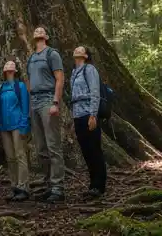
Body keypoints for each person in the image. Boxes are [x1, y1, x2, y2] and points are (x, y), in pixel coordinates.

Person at [26, 25, 65, 202]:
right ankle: (47, 184)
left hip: (48, 100)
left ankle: (58, 187)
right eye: (36, 31)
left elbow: (59, 79)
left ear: (47, 36)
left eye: (42, 31)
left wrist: (55, 102)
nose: (39, 32)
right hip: (34, 102)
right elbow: (29, 82)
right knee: (41, 147)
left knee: (52, 145)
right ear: (33, 37)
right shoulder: (32, 57)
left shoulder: (52, 54)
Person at [71, 45, 107, 198]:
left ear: (85, 55)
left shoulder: (89, 69)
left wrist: (93, 115)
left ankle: (99, 185)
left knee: (94, 149)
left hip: (88, 114)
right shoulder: (73, 72)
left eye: (80, 49)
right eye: (76, 49)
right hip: (77, 115)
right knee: (86, 150)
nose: (76, 50)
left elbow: (95, 92)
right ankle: (92, 184)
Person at [0, 58, 30, 201]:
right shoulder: (2, 87)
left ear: (15, 70)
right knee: (10, 158)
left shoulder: (20, 86)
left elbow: (25, 106)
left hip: (17, 125)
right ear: (4, 70)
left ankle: (23, 187)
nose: (9, 66)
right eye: (7, 64)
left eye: (12, 65)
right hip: (4, 127)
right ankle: (14, 186)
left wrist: (24, 126)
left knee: (20, 155)